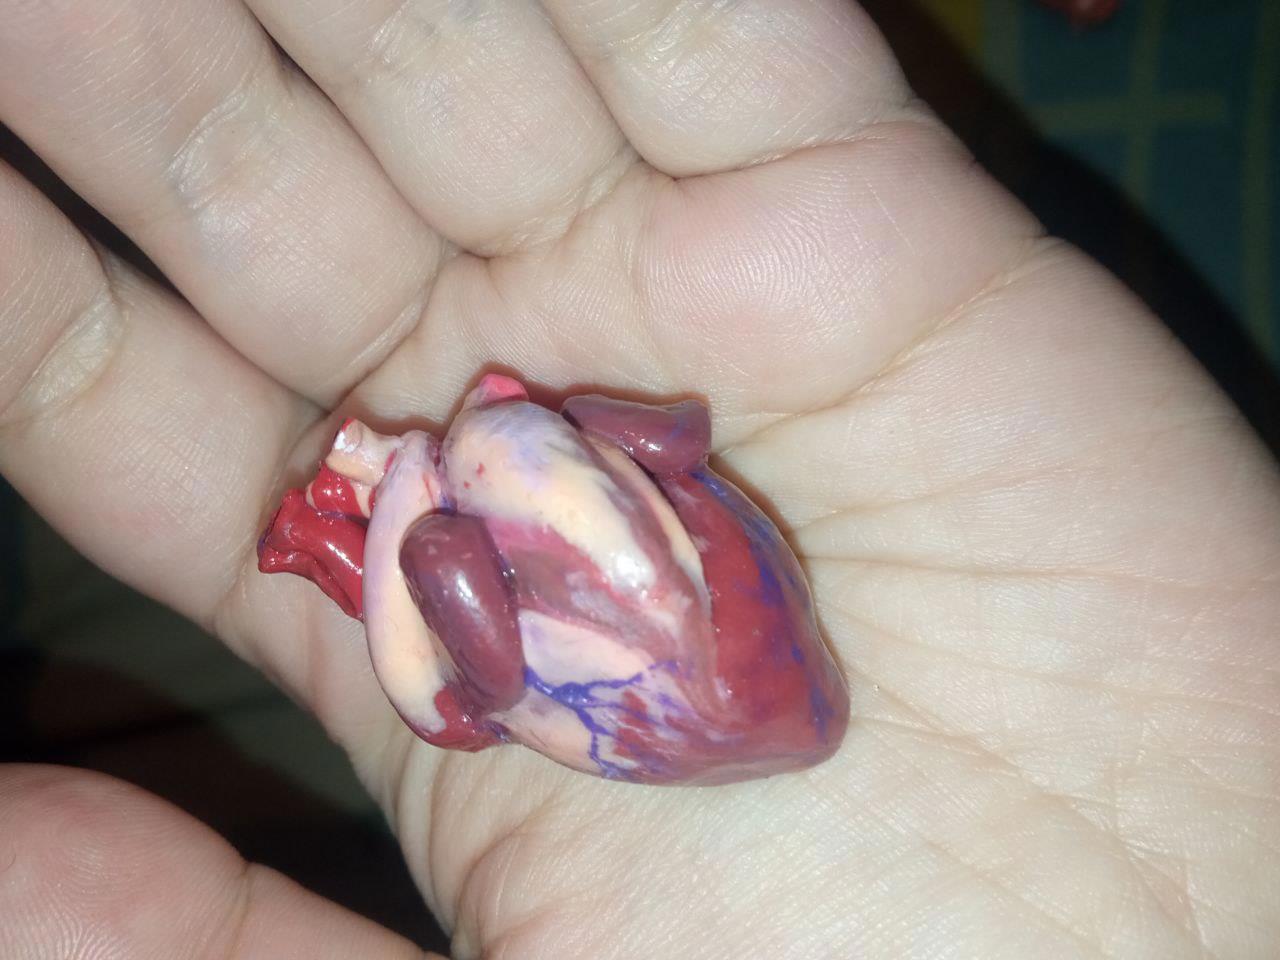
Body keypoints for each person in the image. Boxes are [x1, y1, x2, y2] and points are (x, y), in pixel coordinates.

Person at [0, 1, 1276, 957]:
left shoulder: (480, 567)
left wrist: (424, 510)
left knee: (450, 646)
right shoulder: (527, 526)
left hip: (598, 641)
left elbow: (549, 550)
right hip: (616, 625)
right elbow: (670, 443)